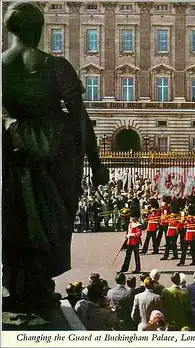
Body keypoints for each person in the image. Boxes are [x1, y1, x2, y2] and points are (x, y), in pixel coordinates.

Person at [2, 1, 108, 313]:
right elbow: (79, 119)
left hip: (11, 156)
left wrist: (12, 127)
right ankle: (37, 285)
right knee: (49, 224)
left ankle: (14, 286)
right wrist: (96, 162)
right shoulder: (56, 66)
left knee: (14, 221)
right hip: (53, 160)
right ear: (37, 29)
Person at [118, 207, 143, 274]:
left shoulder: (138, 225)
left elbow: (139, 234)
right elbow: (129, 231)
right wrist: (127, 235)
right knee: (127, 256)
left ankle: (138, 269)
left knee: (136, 256)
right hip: (129, 242)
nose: (132, 218)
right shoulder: (130, 224)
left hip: (135, 242)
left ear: (136, 217)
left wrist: (131, 235)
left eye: (133, 217)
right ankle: (124, 269)